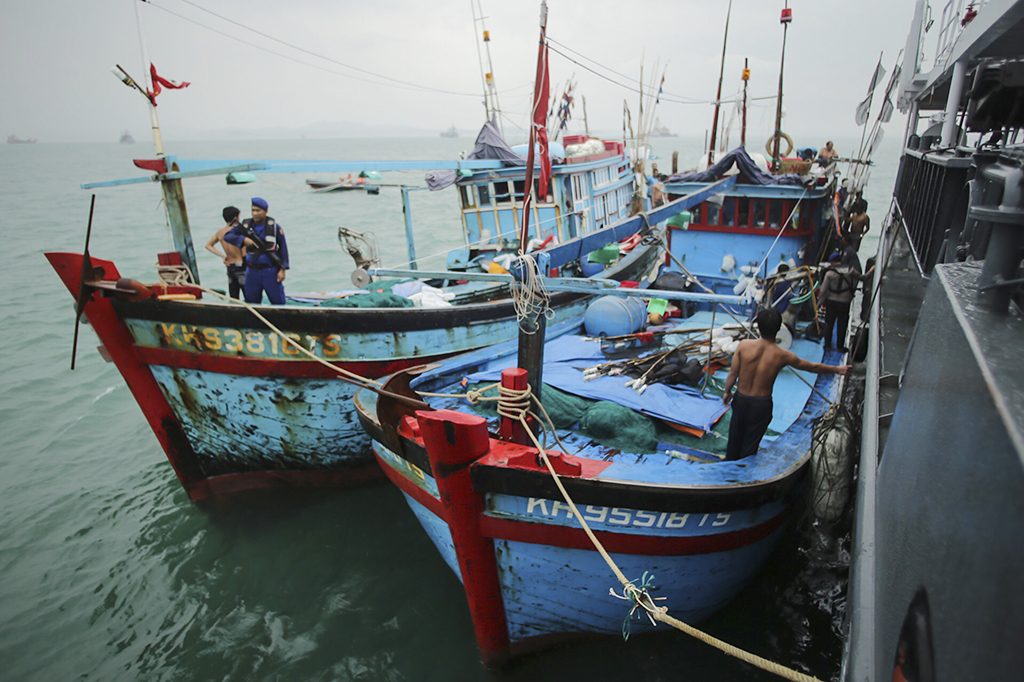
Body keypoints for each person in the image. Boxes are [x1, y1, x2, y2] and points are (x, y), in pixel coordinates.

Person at [722, 308, 850, 460]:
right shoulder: (782, 355)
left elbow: (732, 374)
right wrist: (837, 369)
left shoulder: (744, 346)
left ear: (758, 327)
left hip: (741, 399)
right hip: (761, 405)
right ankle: (743, 478)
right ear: (778, 329)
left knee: (734, 442)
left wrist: (726, 392)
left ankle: (729, 473)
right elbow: (811, 366)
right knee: (750, 448)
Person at [224, 197, 290, 305]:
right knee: (252, 303)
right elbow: (228, 236)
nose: (255, 214)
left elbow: (283, 249)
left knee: (278, 302)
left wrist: (283, 269)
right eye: (253, 210)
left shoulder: (274, 227)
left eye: (258, 211)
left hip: (270, 270)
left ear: (266, 211)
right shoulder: (246, 225)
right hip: (252, 271)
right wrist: (244, 240)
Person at [205, 206, 247, 299]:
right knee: (248, 296)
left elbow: (208, 245)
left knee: (234, 297)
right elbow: (244, 252)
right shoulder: (238, 231)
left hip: (230, 267)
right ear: (237, 217)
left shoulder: (220, 232)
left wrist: (223, 256)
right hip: (241, 267)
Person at [820, 253, 857, 351]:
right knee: (842, 323)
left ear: (833, 262)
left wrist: (819, 302)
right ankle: (840, 346)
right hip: (845, 302)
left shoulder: (829, 273)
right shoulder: (851, 271)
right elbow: (860, 279)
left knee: (829, 323)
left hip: (831, 302)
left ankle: (827, 345)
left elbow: (823, 290)